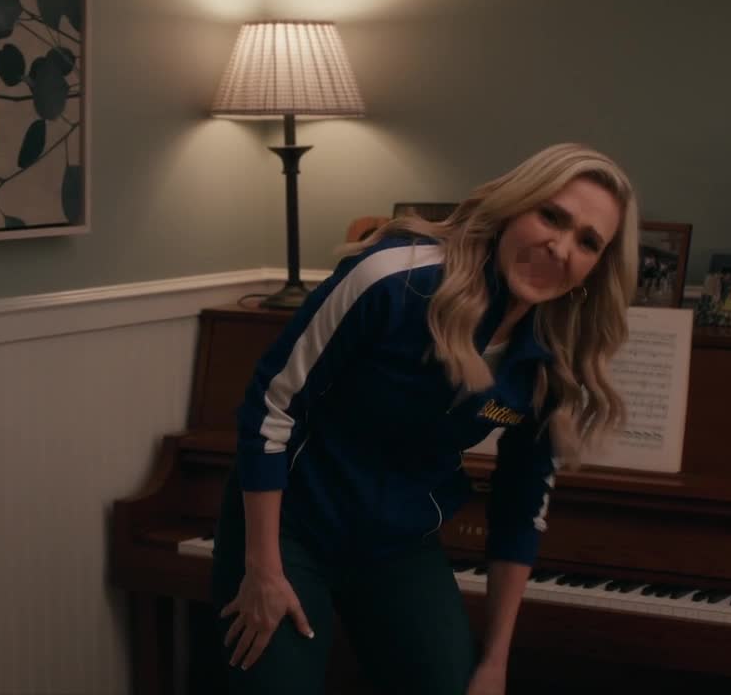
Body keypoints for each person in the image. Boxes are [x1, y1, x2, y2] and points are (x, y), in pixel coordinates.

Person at [212, 142, 639, 694]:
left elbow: (521, 505)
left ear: (594, 270)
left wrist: (495, 662)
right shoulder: (394, 278)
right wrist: (263, 571)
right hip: (288, 527)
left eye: (588, 242)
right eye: (551, 216)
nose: (560, 247)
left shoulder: (553, 360)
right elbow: (271, 407)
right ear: (513, 207)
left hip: (398, 545)